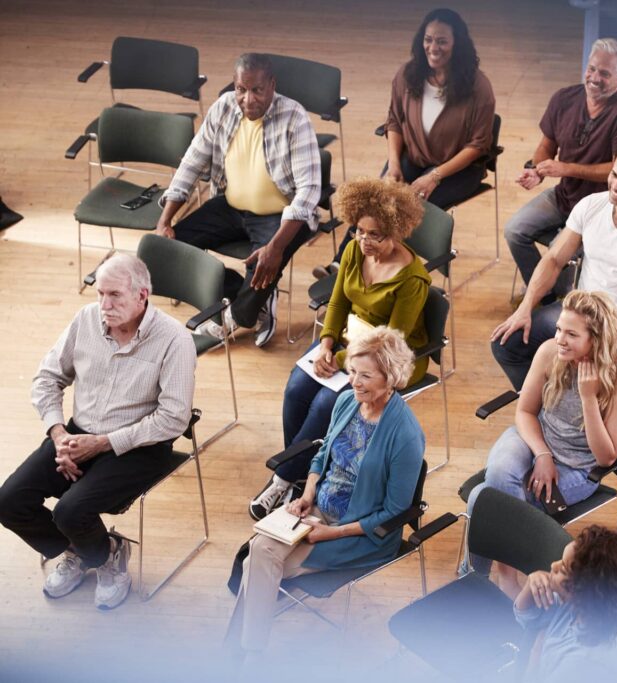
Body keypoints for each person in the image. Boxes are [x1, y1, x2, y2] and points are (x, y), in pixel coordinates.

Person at [0, 254, 196, 610]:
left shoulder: (175, 340)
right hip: (78, 433)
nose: (104, 305)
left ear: (142, 295)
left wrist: (103, 443)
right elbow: (47, 378)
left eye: (115, 295)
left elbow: (174, 418)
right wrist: (59, 435)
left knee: (70, 512)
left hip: (139, 447)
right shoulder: (86, 320)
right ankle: (89, 551)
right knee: (9, 501)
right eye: (100, 293)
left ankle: (106, 558)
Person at [226, 327, 425, 655]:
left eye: (365, 376)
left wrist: (327, 534)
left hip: (360, 531)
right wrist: (307, 494)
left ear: (391, 377)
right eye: (352, 373)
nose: (354, 382)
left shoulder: (405, 434)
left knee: (258, 561)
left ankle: (244, 655)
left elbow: (393, 511)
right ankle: (246, 654)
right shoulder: (347, 402)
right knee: (259, 552)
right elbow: (322, 453)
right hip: (316, 509)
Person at [249, 179, 431, 520]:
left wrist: (343, 361)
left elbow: (392, 339)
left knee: (325, 403)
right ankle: (302, 468)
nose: (364, 240)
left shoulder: (412, 279)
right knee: (295, 389)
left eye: (375, 234)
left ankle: (283, 477)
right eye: (359, 231)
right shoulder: (353, 250)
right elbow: (337, 302)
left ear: (396, 231)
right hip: (348, 343)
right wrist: (327, 345)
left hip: (387, 356)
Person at [466, 290, 617, 589]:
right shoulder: (549, 352)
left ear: (595, 339)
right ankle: (508, 576)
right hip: (534, 440)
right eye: (559, 328)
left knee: (480, 496)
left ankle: (477, 575)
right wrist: (542, 455)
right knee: (497, 477)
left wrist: (588, 398)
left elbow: (607, 457)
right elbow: (525, 411)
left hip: (577, 468)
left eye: (571, 334)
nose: (559, 338)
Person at [155, 52, 321, 348]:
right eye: (241, 89)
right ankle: (257, 297)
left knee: (264, 265)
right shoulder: (223, 108)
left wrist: (276, 247)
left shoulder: (294, 117)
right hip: (229, 207)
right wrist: (165, 220)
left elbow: (309, 191)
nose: (248, 99)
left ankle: (236, 316)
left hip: (279, 214)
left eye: (257, 90)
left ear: (272, 84)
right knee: (171, 250)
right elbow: (192, 162)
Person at [491, 140, 617, 391]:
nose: (615, 186)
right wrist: (525, 307)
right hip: (578, 311)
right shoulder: (591, 205)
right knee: (506, 342)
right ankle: (543, 405)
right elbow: (554, 259)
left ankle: (567, 414)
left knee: (587, 377)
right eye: (614, 175)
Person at [506, 37, 617, 288]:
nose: (594, 77)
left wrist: (565, 168)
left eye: (604, 73)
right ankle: (544, 296)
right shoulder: (563, 99)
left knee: (559, 255)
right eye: (591, 68)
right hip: (564, 196)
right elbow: (546, 146)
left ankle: (557, 295)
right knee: (514, 230)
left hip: (600, 209)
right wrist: (537, 170)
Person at [384, 7, 495, 209]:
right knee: (375, 205)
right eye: (428, 40)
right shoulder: (407, 74)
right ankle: (354, 242)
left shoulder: (479, 87)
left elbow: (478, 146)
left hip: (459, 171)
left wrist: (434, 176)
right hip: (414, 158)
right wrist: (393, 164)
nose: (433, 47)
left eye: (442, 41)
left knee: (408, 211)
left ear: (457, 45)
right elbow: (394, 121)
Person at [514, 525, 617, 683]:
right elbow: (528, 618)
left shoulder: (583, 665)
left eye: (563, 569)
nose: (553, 565)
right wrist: (532, 583)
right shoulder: (578, 607)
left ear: (582, 593)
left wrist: (534, 659)